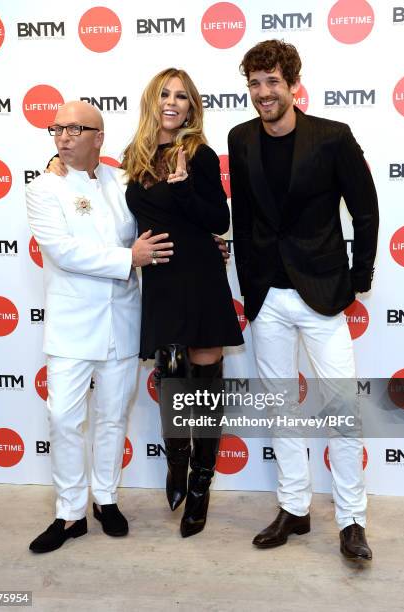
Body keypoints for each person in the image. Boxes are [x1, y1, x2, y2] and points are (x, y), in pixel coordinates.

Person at [228, 40, 378, 559]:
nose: (263, 93)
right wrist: (250, 288)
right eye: (254, 83)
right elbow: (242, 222)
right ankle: (293, 508)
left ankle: (352, 520)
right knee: (280, 409)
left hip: (323, 292)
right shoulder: (240, 138)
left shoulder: (332, 137)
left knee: (341, 408)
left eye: (272, 82)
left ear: (293, 85)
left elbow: (365, 209)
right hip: (267, 296)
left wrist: (359, 278)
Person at [26, 100, 173, 553]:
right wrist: (127, 259)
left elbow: (154, 228)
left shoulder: (122, 180)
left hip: (123, 321)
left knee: (112, 417)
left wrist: (203, 247)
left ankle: (106, 500)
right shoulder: (42, 188)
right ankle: (69, 513)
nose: (63, 137)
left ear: (99, 137)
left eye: (74, 129)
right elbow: (63, 251)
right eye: (57, 129)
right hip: (72, 326)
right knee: (64, 418)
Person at [123, 67, 244, 537]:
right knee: (171, 375)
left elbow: (218, 217)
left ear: (192, 108)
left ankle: (199, 486)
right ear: (152, 101)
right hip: (161, 282)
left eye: (183, 97)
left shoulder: (200, 154)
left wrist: (183, 187)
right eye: (165, 94)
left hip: (200, 276)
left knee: (206, 383)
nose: (173, 103)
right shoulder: (133, 158)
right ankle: (177, 463)